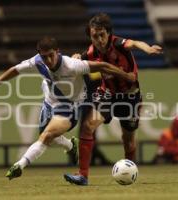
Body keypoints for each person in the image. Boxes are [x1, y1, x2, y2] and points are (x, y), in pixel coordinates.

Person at [0, 36, 136, 180]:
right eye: (44, 57)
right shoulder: (37, 61)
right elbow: (14, 70)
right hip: (49, 101)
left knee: (46, 136)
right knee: (48, 137)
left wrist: (126, 75)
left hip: (69, 106)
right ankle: (71, 146)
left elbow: (102, 66)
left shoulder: (71, 65)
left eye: (51, 55)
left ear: (57, 52)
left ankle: (19, 166)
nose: (48, 60)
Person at [64, 13, 163, 185]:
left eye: (102, 34)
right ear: (91, 37)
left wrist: (147, 49)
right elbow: (76, 60)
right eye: (95, 36)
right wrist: (75, 58)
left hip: (130, 97)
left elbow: (134, 43)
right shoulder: (91, 52)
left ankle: (129, 172)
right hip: (107, 95)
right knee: (88, 126)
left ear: (108, 33)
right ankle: (83, 175)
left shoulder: (119, 44)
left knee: (128, 141)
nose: (100, 39)